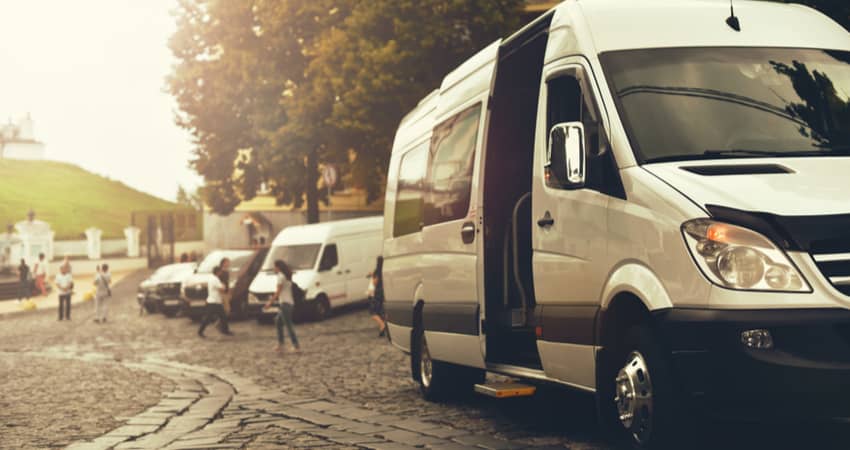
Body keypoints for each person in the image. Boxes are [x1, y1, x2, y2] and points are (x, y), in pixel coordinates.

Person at [264, 260, 300, 353]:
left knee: (288, 325)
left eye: (274, 267)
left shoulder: (280, 276)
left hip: (285, 304)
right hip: (289, 303)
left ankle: (296, 346)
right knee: (278, 321)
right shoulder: (287, 276)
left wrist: (269, 303)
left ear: (278, 267)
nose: (274, 269)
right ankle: (281, 344)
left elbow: (278, 292)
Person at [198, 266, 232, 337]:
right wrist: (224, 286)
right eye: (220, 272)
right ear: (218, 272)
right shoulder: (215, 279)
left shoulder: (212, 278)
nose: (221, 273)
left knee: (222, 316)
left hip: (214, 301)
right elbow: (222, 289)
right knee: (209, 318)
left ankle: (225, 330)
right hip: (214, 302)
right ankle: (200, 331)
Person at [367, 256, 387, 337]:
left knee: (373, 311)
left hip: (377, 293)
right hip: (384, 292)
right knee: (382, 311)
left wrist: (372, 276)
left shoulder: (377, 271)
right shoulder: (384, 270)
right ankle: (384, 326)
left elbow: (375, 283)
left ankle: (382, 325)